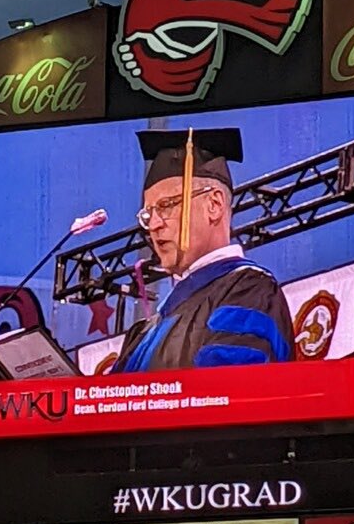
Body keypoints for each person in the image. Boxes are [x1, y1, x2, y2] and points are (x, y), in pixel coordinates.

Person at [112, 127, 294, 373]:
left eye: (166, 205)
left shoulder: (248, 291)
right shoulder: (143, 334)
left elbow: (224, 396)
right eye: (148, 214)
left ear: (214, 205)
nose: (154, 225)